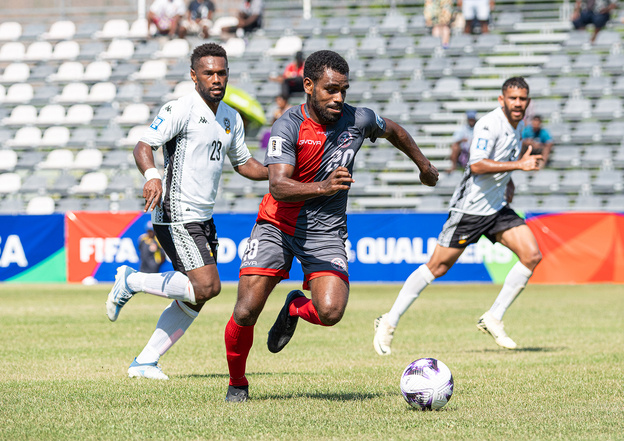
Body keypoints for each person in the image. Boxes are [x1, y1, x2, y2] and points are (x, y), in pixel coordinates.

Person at [223, 50, 439, 402]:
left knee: (331, 312)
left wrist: (424, 166)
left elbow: (394, 130)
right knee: (246, 310)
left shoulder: (359, 119)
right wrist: (323, 186)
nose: (339, 98)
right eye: (330, 89)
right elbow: (278, 185)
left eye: (344, 90)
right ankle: (238, 383)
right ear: (308, 86)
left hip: (326, 231)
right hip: (277, 224)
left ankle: (294, 307)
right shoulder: (288, 125)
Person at [105, 43, 268, 380]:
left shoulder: (230, 118)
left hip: (203, 217)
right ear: (194, 77)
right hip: (176, 211)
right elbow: (143, 146)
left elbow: (244, 164)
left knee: (195, 297)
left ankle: (145, 362)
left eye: (222, 72)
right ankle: (130, 280)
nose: (216, 79)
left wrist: (280, 171)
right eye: (208, 73)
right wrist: (152, 175)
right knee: (208, 286)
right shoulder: (180, 108)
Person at [373, 77, 543, 356]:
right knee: (437, 268)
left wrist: (509, 181)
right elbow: (476, 165)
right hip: (470, 209)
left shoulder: (519, 125)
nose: (517, 103)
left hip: (497, 208)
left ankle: (494, 317)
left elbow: (502, 161)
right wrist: (519, 165)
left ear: (527, 102)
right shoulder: (489, 124)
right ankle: (388, 322)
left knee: (532, 255)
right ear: (502, 100)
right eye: (512, 98)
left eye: (522, 99)